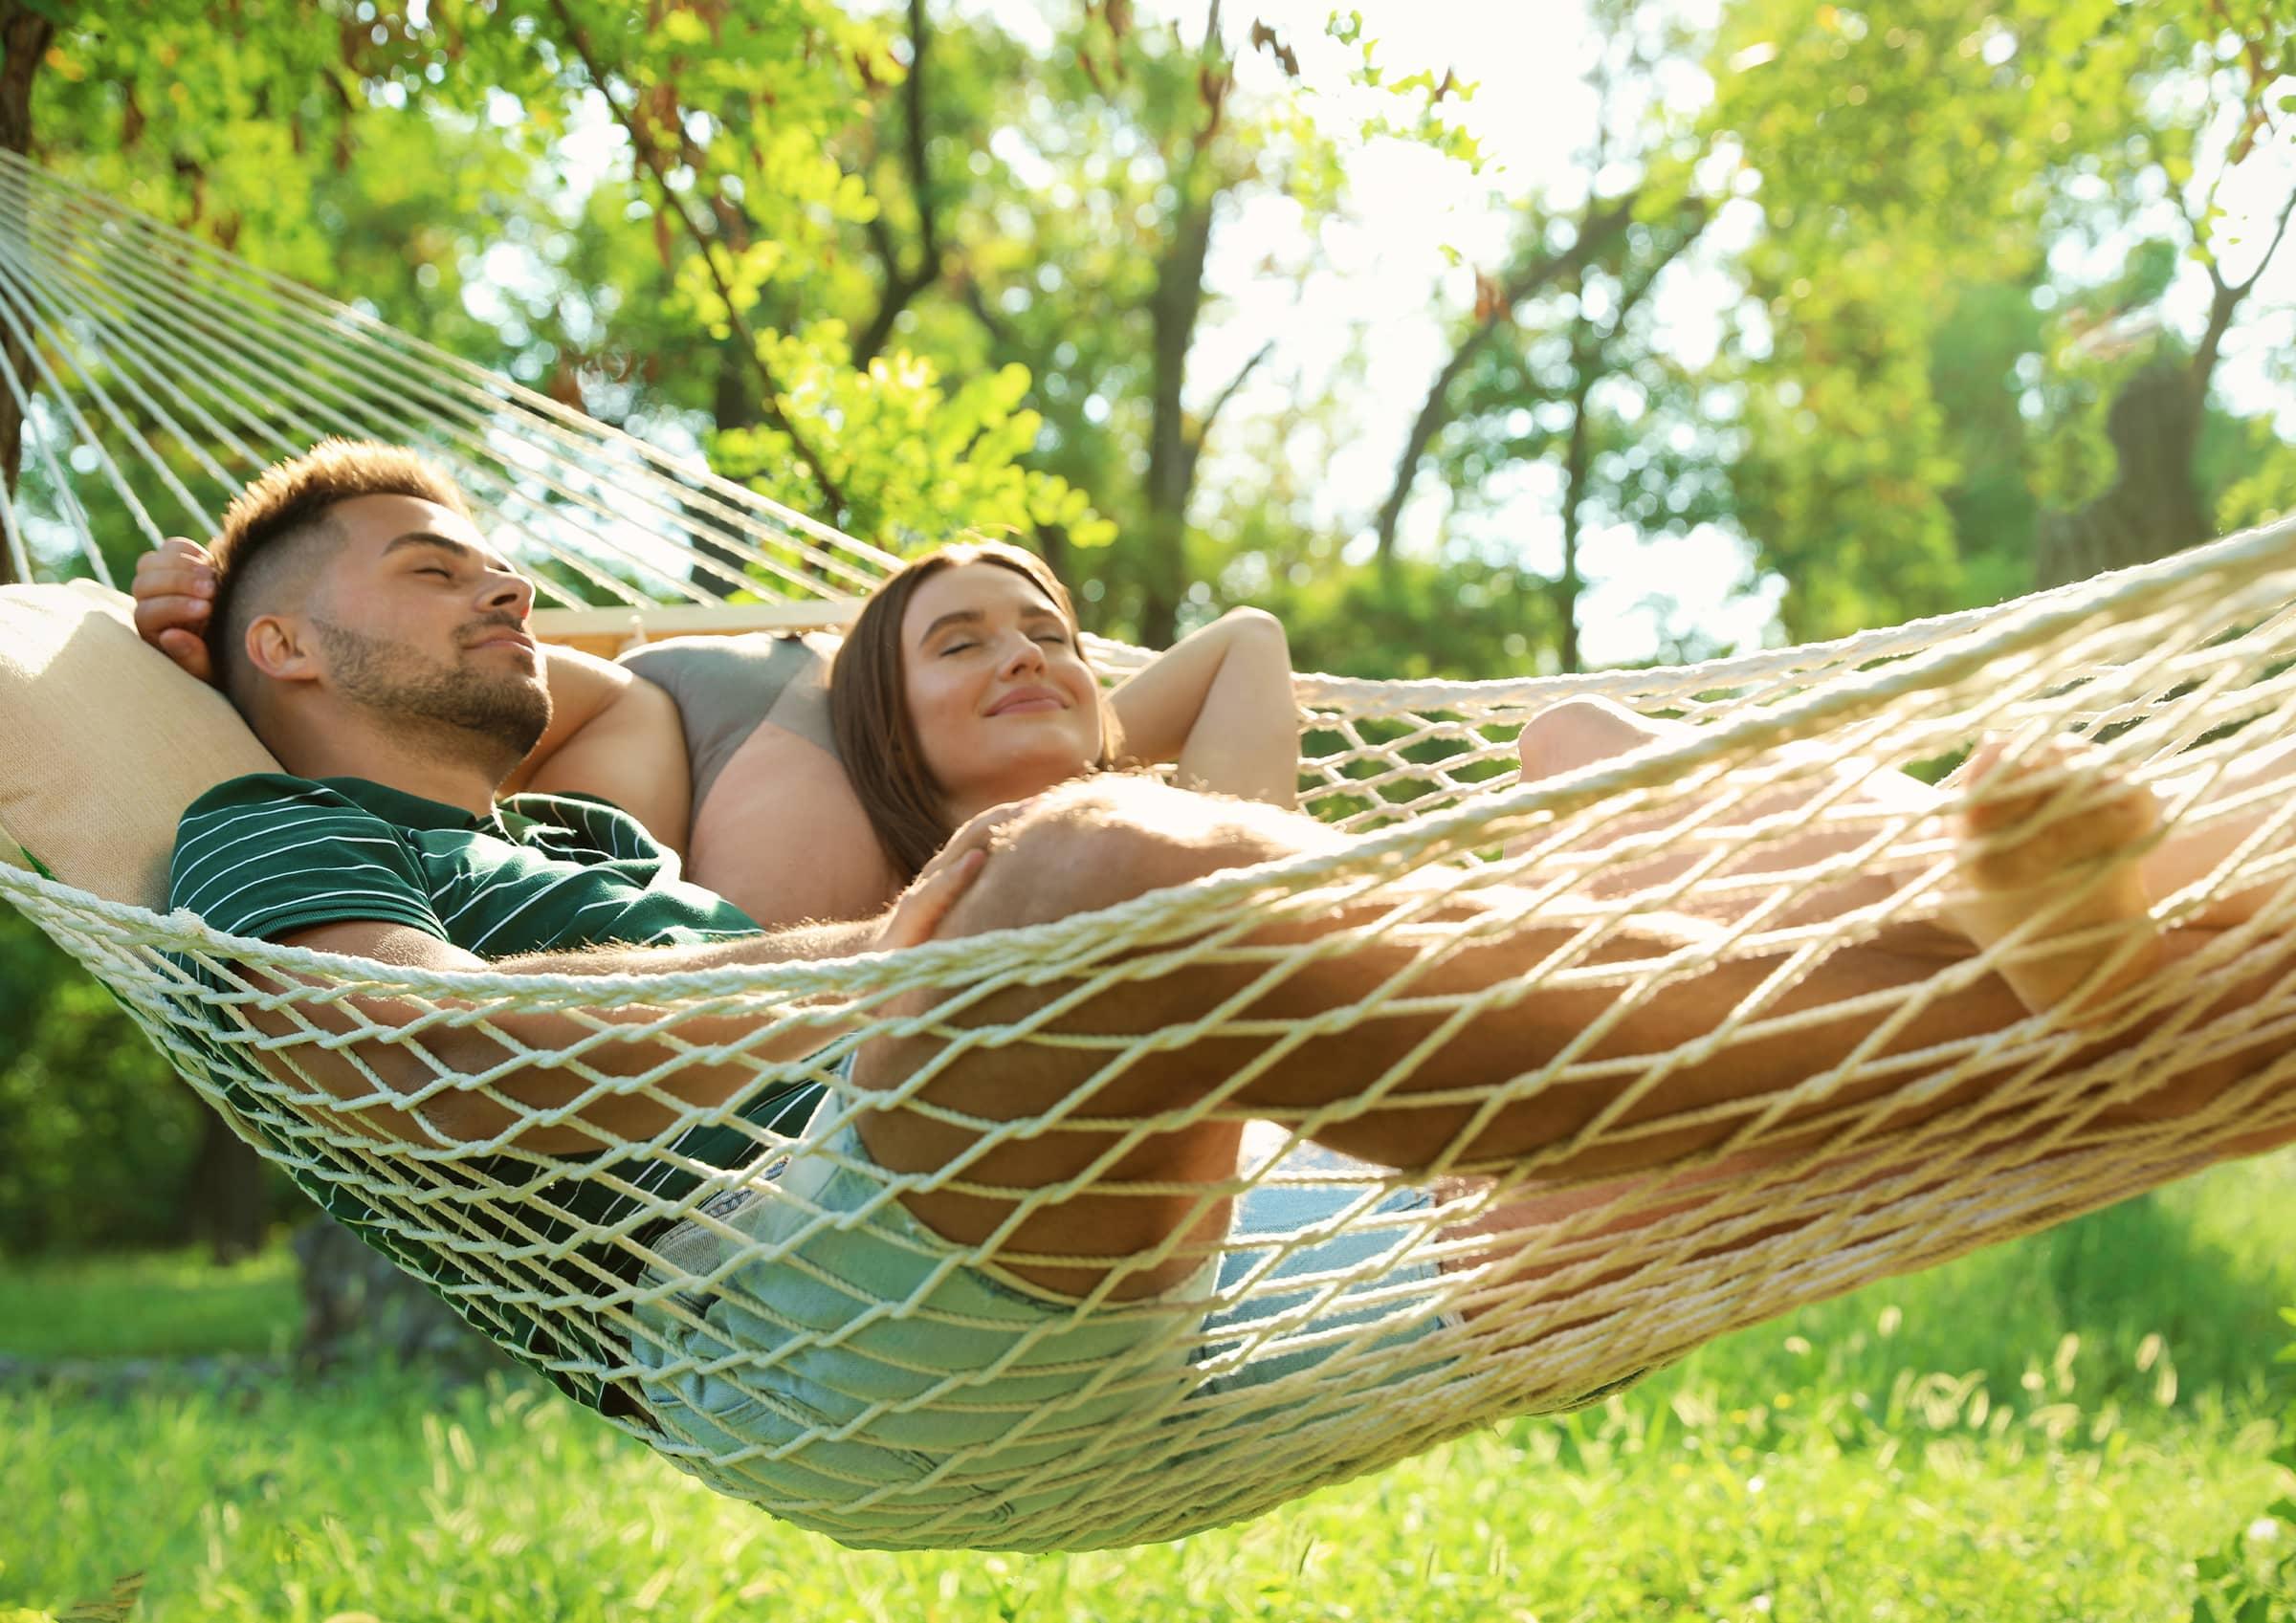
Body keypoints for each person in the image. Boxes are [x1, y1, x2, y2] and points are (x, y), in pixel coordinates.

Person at [133, 440, 2291, 1539]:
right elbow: (421, 1063)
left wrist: (924, 928)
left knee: (1613, 789)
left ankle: (2145, 935)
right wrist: (905, 951)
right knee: (1092, 873)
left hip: (1085, 1227)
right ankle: (1970, 983)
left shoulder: (588, 834)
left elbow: (606, 666)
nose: (510, 585)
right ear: (292, 655)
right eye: (442, 568)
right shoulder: (285, 844)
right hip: (790, 1323)